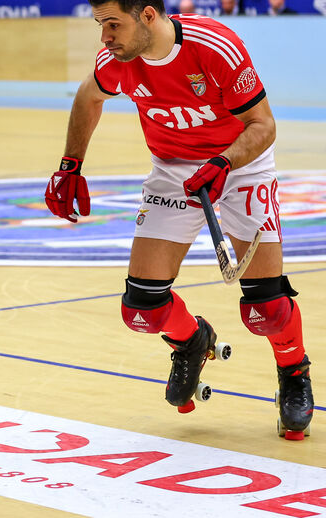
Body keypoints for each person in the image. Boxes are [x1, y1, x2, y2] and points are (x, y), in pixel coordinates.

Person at [43, 1, 313, 439]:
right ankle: (192, 340)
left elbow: (263, 124)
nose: (105, 37)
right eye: (100, 25)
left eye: (114, 25)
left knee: (266, 309)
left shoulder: (214, 47)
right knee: (142, 310)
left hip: (240, 163)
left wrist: (225, 162)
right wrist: (70, 165)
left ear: (148, 15)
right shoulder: (116, 61)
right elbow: (88, 96)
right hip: (172, 169)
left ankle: (293, 371)